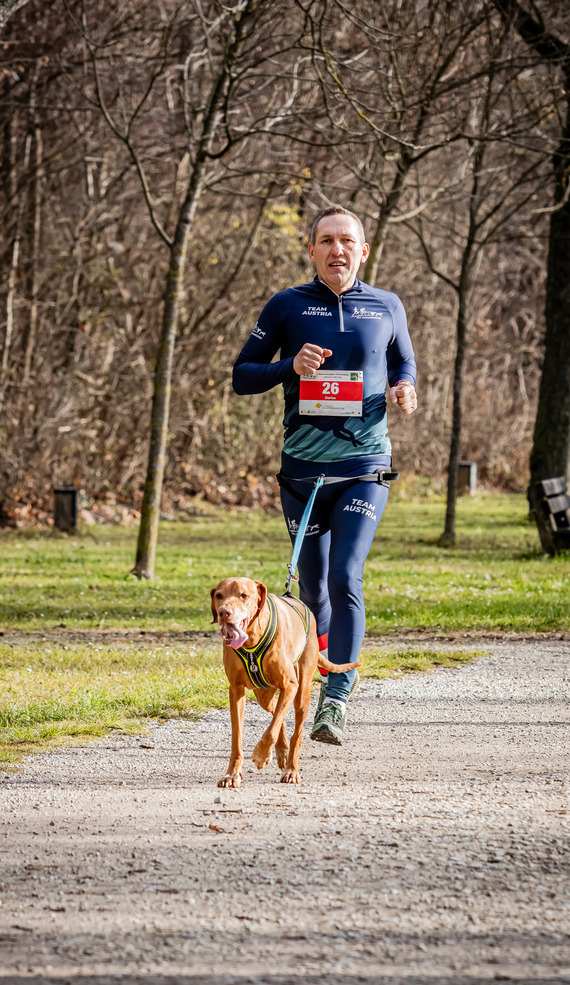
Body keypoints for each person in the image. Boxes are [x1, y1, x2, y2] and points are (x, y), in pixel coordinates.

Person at [232, 205, 417, 746]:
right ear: (311, 250)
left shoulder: (387, 305)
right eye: (327, 241)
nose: (338, 250)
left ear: (364, 251)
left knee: (345, 576)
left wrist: (404, 388)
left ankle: (335, 698)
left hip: (364, 467)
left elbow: (403, 363)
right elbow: (242, 375)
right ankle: (314, 678)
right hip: (303, 474)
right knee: (313, 590)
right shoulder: (287, 305)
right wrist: (288, 366)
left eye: (348, 241)